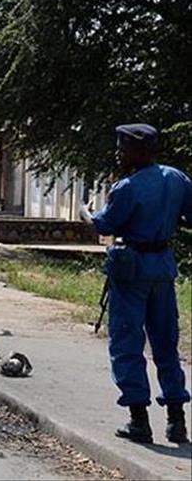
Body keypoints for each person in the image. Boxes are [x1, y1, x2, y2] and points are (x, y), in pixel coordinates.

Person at [80, 124, 190, 445]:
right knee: (166, 344)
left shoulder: (126, 188)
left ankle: (139, 420)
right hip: (163, 269)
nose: (118, 153)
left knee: (127, 344)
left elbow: (105, 223)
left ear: (140, 150)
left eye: (122, 147)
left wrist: (85, 213)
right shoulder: (176, 179)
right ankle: (176, 420)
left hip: (131, 272)